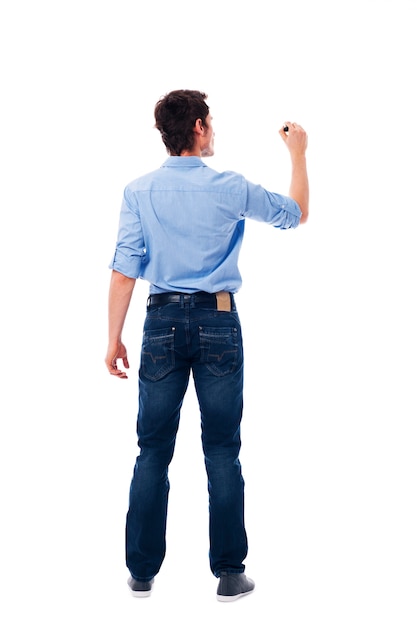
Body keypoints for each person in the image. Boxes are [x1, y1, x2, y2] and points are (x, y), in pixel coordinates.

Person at [105, 89, 309, 602]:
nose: (212, 129)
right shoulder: (229, 187)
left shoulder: (138, 191)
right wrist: (299, 154)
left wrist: (113, 338)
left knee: (152, 449)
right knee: (222, 450)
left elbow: (125, 272)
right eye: (210, 122)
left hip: (160, 324)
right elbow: (296, 214)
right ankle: (230, 573)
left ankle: (142, 573)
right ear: (197, 127)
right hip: (219, 322)